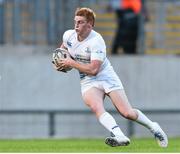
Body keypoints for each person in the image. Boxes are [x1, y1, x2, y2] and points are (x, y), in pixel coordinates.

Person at [53, 7, 168, 147]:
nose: (76, 25)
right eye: (75, 21)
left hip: (105, 76)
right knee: (96, 107)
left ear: (90, 25)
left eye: (81, 22)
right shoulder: (68, 35)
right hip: (87, 80)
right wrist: (61, 63)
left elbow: (94, 70)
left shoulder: (96, 41)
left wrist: (72, 63)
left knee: (127, 113)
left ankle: (153, 126)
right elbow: (63, 50)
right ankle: (119, 136)